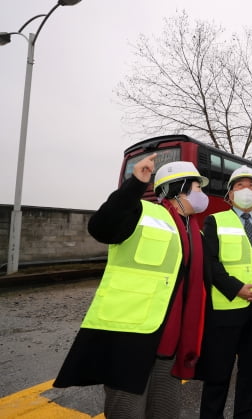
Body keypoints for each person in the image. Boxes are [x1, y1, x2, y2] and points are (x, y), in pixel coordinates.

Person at [54, 155, 209, 418]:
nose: (202, 194)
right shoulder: (142, 213)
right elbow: (101, 227)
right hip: (131, 337)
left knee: (165, 412)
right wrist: (134, 184)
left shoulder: (196, 233)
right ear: (178, 188)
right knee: (127, 411)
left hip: (172, 343)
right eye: (197, 187)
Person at [195, 165, 252, 419]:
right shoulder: (215, 221)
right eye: (240, 186)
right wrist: (237, 289)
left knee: (251, 373)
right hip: (226, 312)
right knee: (218, 374)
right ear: (230, 195)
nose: (247, 191)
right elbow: (210, 264)